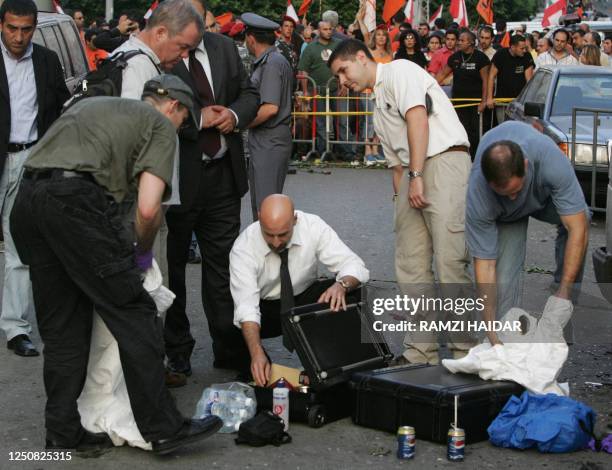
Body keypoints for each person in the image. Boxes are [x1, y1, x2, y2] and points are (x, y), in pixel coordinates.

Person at [10, 75, 222, 453]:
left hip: (28, 201)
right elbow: (147, 207)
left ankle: (62, 430)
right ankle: (163, 427)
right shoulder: (159, 125)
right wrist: (140, 254)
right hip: (73, 202)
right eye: (185, 120)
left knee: (64, 327)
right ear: (173, 106)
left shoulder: (95, 105)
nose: (181, 128)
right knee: (136, 312)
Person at [329, 40, 473, 364]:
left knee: (451, 265)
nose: (342, 81)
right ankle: (421, 354)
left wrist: (417, 174)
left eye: (343, 70)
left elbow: (417, 119)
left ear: (362, 58)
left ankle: (467, 355)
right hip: (412, 173)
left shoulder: (400, 71)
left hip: (444, 162)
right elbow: (396, 166)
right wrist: (401, 201)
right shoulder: (378, 106)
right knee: (411, 266)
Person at [164, 0, 259, 382]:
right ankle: (177, 349)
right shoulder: (164, 53)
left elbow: (250, 94)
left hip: (222, 176)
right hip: (178, 180)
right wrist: (202, 119)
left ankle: (228, 346)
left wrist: (233, 115)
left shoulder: (222, 48)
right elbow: (154, 111)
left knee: (224, 267)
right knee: (171, 271)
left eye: (198, 16)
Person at [466, 122, 588, 346]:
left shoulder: (548, 158)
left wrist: (564, 292)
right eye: (505, 193)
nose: (513, 198)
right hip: (504, 215)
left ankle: (561, 307)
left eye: (515, 190)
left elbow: (577, 228)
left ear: (525, 165)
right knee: (502, 283)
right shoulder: (479, 191)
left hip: (544, 198)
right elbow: (485, 266)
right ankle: (504, 342)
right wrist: (491, 332)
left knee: (581, 219)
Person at [229, 194, 369, 386]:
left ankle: (344, 367)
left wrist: (341, 285)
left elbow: (354, 265)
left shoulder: (313, 226)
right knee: (226, 319)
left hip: (303, 298)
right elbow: (247, 308)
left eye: (283, 234)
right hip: (264, 308)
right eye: (269, 234)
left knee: (353, 293)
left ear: (295, 220)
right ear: (259, 218)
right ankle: (256, 368)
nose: (276, 243)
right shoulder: (243, 247)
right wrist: (256, 353)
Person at [0, 0, 71, 357]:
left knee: (19, 246)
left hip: (31, 161)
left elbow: (61, 111)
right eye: (12, 28)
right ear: (1, 25)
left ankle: (15, 327)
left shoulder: (46, 61)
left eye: (26, 29)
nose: (18, 36)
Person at [241, 13, 293, 219]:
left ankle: (270, 250)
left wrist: (239, 123)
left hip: (269, 139)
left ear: (251, 39)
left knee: (266, 209)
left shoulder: (271, 63)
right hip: (267, 139)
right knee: (262, 205)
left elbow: (270, 108)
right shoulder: (271, 60)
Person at [298, 20, 355, 161]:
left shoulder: (338, 45)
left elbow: (346, 66)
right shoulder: (311, 47)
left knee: (342, 119)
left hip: (337, 88)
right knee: (320, 122)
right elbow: (303, 71)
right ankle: (324, 151)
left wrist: (345, 85)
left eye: (330, 29)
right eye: (325, 29)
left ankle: (346, 152)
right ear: (318, 30)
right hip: (317, 90)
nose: (328, 31)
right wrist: (305, 91)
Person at [437, 30, 490, 159]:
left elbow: (486, 81)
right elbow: (442, 75)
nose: (458, 43)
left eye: (462, 40)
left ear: (471, 42)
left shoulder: (481, 58)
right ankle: (464, 158)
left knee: (476, 133)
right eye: (458, 40)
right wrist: (428, 86)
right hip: (459, 102)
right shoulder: (455, 57)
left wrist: (484, 101)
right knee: (462, 131)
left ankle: (476, 158)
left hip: (476, 103)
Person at [486, 34, 534, 125]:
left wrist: (528, 100)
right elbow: (491, 76)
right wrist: (489, 98)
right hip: (502, 101)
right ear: (512, 47)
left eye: (525, 48)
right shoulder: (500, 54)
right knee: (503, 127)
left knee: (520, 128)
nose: (524, 50)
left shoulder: (527, 56)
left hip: (520, 102)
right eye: (521, 48)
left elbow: (529, 80)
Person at [428, 29, 457, 96]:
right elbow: (432, 74)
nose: (450, 42)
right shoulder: (438, 54)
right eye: (448, 39)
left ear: (457, 41)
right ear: (445, 40)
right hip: (442, 88)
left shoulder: (460, 53)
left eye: (452, 39)